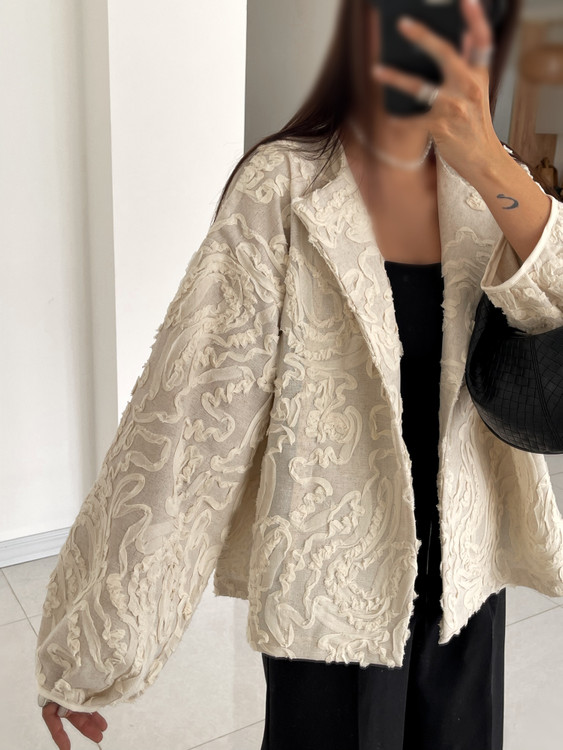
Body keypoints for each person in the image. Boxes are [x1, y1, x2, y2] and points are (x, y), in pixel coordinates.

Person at [38, 0, 563, 748]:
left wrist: (489, 165)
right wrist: (90, 651)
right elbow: (190, 424)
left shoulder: (489, 185)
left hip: (465, 583)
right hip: (327, 594)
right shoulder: (282, 188)